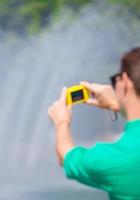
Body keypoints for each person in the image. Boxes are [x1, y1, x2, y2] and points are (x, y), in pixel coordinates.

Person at [48, 47, 140, 200]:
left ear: (125, 81)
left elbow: (65, 156)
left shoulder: (117, 159)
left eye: (115, 79)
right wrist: (119, 105)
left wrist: (61, 121)